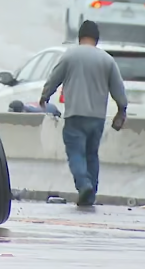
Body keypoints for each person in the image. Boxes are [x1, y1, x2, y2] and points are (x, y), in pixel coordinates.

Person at [39, 20, 127, 207]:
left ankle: (84, 185)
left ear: (79, 37)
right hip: (97, 118)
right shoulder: (107, 60)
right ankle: (91, 193)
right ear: (97, 38)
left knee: (76, 153)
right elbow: (118, 88)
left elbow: (54, 78)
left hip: (75, 115)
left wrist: (45, 96)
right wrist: (121, 109)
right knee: (92, 154)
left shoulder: (70, 56)